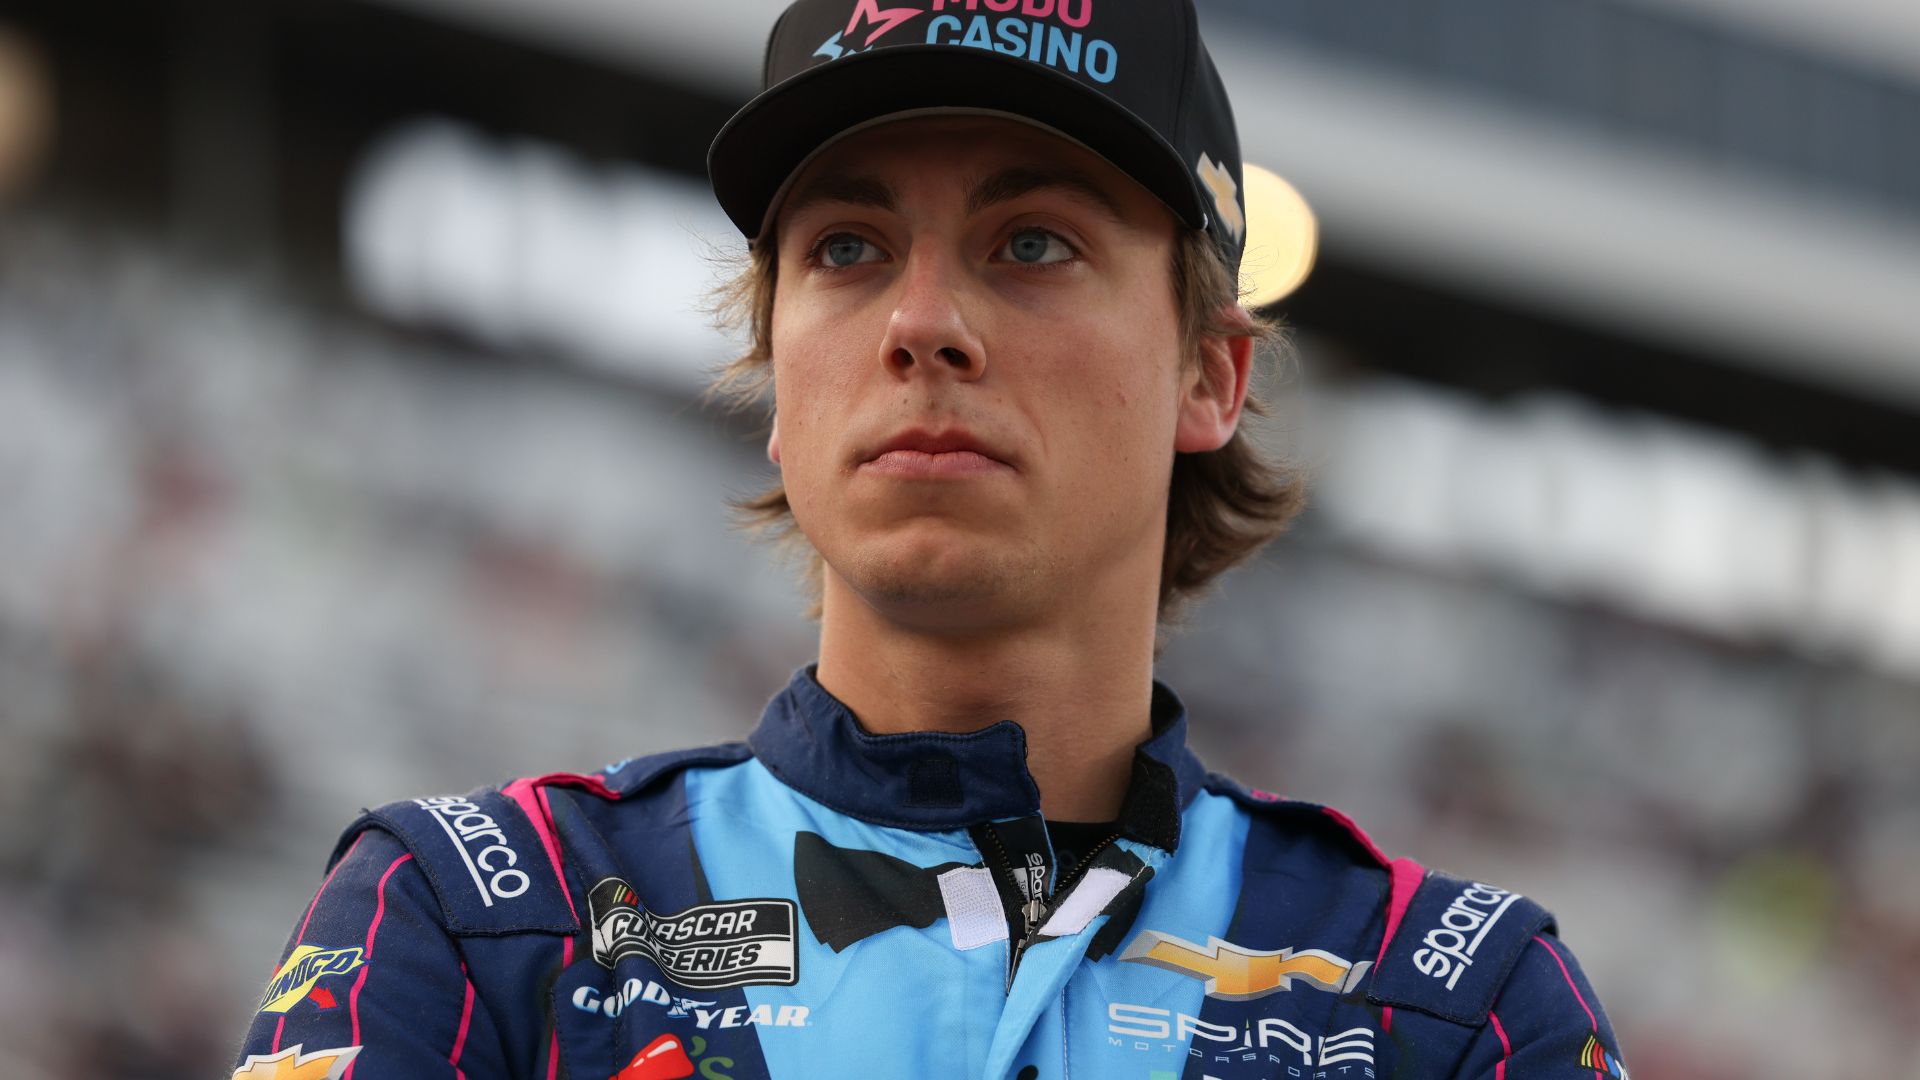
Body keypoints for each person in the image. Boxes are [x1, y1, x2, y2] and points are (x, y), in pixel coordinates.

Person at [231, 2, 1628, 1078]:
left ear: (1213, 375)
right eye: (846, 247)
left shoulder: (1441, 1002)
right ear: (779, 375)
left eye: (1031, 243)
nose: (922, 321)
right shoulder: (488, 925)